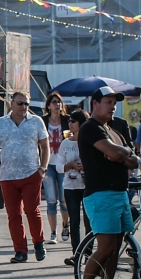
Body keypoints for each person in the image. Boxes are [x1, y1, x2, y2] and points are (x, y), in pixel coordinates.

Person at [71, 91, 139, 279]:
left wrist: (124, 153)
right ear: (95, 103)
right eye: (108, 102)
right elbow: (113, 152)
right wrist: (121, 153)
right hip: (101, 193)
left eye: (115, 104)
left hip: (119, 193)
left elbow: (132, 162)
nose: (113, 107)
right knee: (106, 247)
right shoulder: (91, 127)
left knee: (115, 248)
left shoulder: (112, 129)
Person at [0, 91, 49, 263]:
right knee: (13, 214)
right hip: (8, 176)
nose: (24, 107)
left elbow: (45, 146)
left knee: (31, 210)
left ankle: (39, 243)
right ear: (11, 103)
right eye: (20, 103)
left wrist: (42, 168)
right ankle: (20, 250)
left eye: (26, 104)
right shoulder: (1, 123)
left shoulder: (36, 121)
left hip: (31, 174)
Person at [42, 94, 69, 242]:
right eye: (54, 102)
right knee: (51, 199)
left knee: (64, 199)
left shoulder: (67, 120)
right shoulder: (43, 121)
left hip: (63, 163)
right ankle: (53, 233)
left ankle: (66, 225)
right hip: (48, 164)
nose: (57, 104)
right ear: (48, 106)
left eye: (59, 102)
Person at [57, 110, 85, 257]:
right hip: (70, 187)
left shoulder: (89, 142)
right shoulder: (65, 143)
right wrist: (70, 165)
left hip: (87, 186)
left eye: (73, 121)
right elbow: (59, 166)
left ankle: (88, 253)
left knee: (89, 222)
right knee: (74, 220)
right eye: (69, 121)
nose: (70, 124)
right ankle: (77, 254)